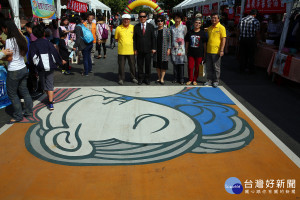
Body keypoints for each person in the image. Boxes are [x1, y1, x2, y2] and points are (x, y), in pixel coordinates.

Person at [1, 20, 33, 123]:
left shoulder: (10, 41)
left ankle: (18, 116)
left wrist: (2, 57)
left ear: (6, 28)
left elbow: (9, 58)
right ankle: (28, 112)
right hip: (23, 68)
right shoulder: (21, 37)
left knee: (13, 94)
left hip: (14, 70)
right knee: (24, 91)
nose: (2, 30)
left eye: (3, 28)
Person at [28, 24, 64, 110]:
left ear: (34, 34)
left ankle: (50, 99)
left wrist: (33, 70)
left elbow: (31, 57)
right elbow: (55, 53)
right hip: (50, 66)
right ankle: (51, 102)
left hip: (40, 67)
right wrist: (60, 62)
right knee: (50, 83)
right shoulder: (48, 42)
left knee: (44, 85)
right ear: (44, 33)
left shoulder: (33, 44)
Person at [115, 14, 138, 85]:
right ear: (122, 20)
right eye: (125, 19)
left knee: (132, 65)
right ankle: (121, 78)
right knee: (121, 66)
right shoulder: (118, 28)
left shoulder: (133, 27)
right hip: (121, 51)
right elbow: (116, 39)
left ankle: (133, 77)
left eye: (128, 19)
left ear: (130, 20)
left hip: (131, 50)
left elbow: (135, 39)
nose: (126, 21)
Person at [134, 11, 156, 85]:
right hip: (139, 49)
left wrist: (153, 48)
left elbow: (153, 38)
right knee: (139, 65)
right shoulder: (136, 27)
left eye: (144, 16)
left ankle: (147, 78)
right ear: (139, 17)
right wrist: (135, 49)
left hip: (148, 49)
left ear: (146, 17)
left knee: (147, 65)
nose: (142, 18)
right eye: (141, 16)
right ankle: (140, 78)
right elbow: (134, 39)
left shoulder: (151, 26)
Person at [205, 13, 226, 88]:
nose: (213, 19)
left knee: (216, 67)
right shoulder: (210, 28)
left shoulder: (221, 27)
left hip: (216, 51)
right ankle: (209, 80)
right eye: (212, 18)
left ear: (218, 19)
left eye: (215, 18)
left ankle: (216, 81)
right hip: (209, 50)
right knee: (209, 67)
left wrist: (222, 50)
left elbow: (223, 39)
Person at [185, 18, 207, 86]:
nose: (197, 24)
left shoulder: (203, 33)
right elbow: (187, 42)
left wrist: (205, 53)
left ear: (201, 24)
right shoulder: (189, 32)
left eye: (199, 23)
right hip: (191, 53)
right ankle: (190, 79)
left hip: (199, 53)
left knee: (197, 67)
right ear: (193, 23)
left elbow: (204, 44)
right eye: (196, 22)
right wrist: (186, 50)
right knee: (190, 67)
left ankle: (195, 79)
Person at [238, 9, 260, 74]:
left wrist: (238, 39)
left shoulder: (242, 19)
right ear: (255, 14)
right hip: (251, 39)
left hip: (243, 39)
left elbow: (238, 30)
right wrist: (258, 41)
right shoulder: (256, 21)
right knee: (251, 55)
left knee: (243, 54)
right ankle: (251, 69)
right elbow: (257, 33)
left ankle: (242, 68)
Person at [170, 12, 187, 85]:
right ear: (174, 19)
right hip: (174, 48)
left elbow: (185, 36)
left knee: (181, 64)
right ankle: (175, 78)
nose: (177, 20)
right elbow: (170, 37)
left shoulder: (184, 27)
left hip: (181, 49)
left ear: (181, 19)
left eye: (179, 18)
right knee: (175, 64)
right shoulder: (171, 27)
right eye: (176, 18)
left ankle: (182, 79)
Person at [153, 15, 171, 85]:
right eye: (158, 21)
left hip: (164, 49)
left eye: (161, 21)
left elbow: (169, 40)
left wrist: (169, 49)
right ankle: (159, 76)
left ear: (164, 22)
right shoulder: (155, 30)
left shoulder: (167, 30)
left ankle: (162, 78)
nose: (160, 22)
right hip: (156, 50)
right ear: (156, 22)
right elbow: (153, 40)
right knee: (157, 64)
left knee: (163, 64)